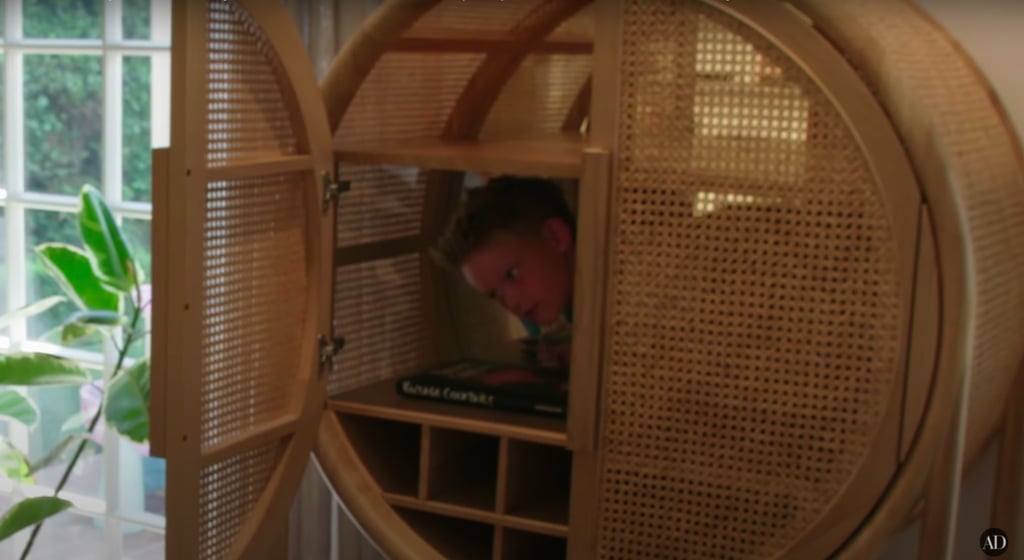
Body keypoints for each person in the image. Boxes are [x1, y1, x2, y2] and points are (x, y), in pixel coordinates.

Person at [433, 175, 575, 369]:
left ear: (555, 236)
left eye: (512, 274)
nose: (512, 303)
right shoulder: (537, 312)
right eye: (494, 294)